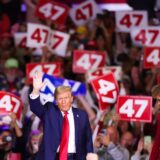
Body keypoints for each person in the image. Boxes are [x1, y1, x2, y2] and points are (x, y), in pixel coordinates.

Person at [29, 71, 93, 160]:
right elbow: (35, 107)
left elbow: (88, 139)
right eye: (60, 98)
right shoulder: (50, 111)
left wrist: (91, 155)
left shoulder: (81, 115)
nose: (63, 101)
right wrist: (36, 90)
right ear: (56, 100)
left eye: (66, 98)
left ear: (71, 99)